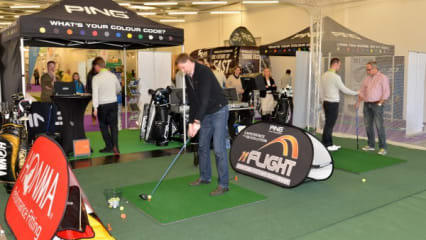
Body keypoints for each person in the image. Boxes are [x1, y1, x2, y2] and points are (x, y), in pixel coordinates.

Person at [176, 53, 229, 196]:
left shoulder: (204, 72)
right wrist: (189, 124)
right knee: (202, 146)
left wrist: (197, 121)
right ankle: (205, 177)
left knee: (218, 149)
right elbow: (193, 101)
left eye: (183, 67)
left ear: (188, 62)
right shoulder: (188, 76)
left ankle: (223, 184)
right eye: (180, 68)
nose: (182, 71)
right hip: (205, 113)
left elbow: (204, 99)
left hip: (218, 110)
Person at [320, 58, 358, 151]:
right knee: (330, 124)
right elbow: (344, 89)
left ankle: (327, 143)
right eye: (339, 65)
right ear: (335, 64)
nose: (339, 67)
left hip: (326, 102)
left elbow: (321, 90)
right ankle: (328, 145)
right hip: (333, 103)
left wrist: (322, 101)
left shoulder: (324, 75)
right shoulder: (335, 77)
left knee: (328, 124)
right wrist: (356, 93)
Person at [356, 62, 390, 155]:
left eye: (369, 69)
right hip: (367, 104)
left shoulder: (382, 78)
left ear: (375, 68)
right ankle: (371, 145)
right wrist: (358, 102)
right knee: (368, 125)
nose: (367, 71)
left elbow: (386, 91)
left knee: (379, 126)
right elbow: (362, 91)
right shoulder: (367, 79)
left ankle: (383, 148)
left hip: (377, 104)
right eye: (366, 69)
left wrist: (380, 103)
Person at [92, 57, 122, 155]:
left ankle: (109, 146)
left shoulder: (96, 78)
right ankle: (115, 147)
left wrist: (95, 108)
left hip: (102, 106)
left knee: (103, 126)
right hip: (113, 103)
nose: (94, 69)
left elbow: (95, 94)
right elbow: (118, 89)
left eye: (94, 67)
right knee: (114, 126)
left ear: (97, 66)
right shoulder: (112, 76)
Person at [226, 66, 244, 139]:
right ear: (234, 71)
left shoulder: (241, 78)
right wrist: (235, 90)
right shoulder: (230, 77)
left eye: (239, 70)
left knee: (238, 112)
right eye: (236, 70)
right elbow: (227, 86)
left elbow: (244, 86)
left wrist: (243, 90)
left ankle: (236, 128)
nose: (238, 71)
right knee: (233, 114)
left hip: (240, 97)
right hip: (233, 98)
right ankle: (231, 129)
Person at [87, 59, 97, 123]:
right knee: (94, 106)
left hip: (100, 91)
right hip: (93, 91)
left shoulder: (99, 72)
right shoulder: (90, 73)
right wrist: (90, 91)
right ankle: (94, 118)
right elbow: (88, 83)